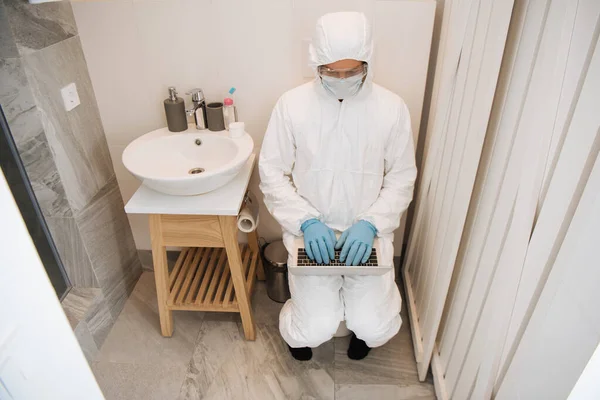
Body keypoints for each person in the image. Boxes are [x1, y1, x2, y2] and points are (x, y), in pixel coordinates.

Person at [259, 11, 417, 361]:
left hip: (368, 234)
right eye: (332, 71)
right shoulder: (292, 106)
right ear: (317, 62)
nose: (343, 78)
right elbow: (271, 173)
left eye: (352, 70)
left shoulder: (391, 109)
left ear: (367, 61)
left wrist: (372, 223)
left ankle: (363, 330)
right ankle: (296, 334)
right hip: (312, 234)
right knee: (315, 327)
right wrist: (306, 221)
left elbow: (402, 177)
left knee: (375, 327)